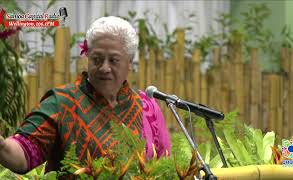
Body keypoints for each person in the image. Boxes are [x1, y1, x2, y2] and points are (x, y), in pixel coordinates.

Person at [0, 16, 171, 174]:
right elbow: (24, 152)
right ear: (87, 57)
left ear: (130, 63)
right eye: (97, 59)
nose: (104, 67)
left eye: (113, 60)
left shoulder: (147, 108)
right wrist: (2, 146)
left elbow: (164, 170)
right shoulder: (61, 102)